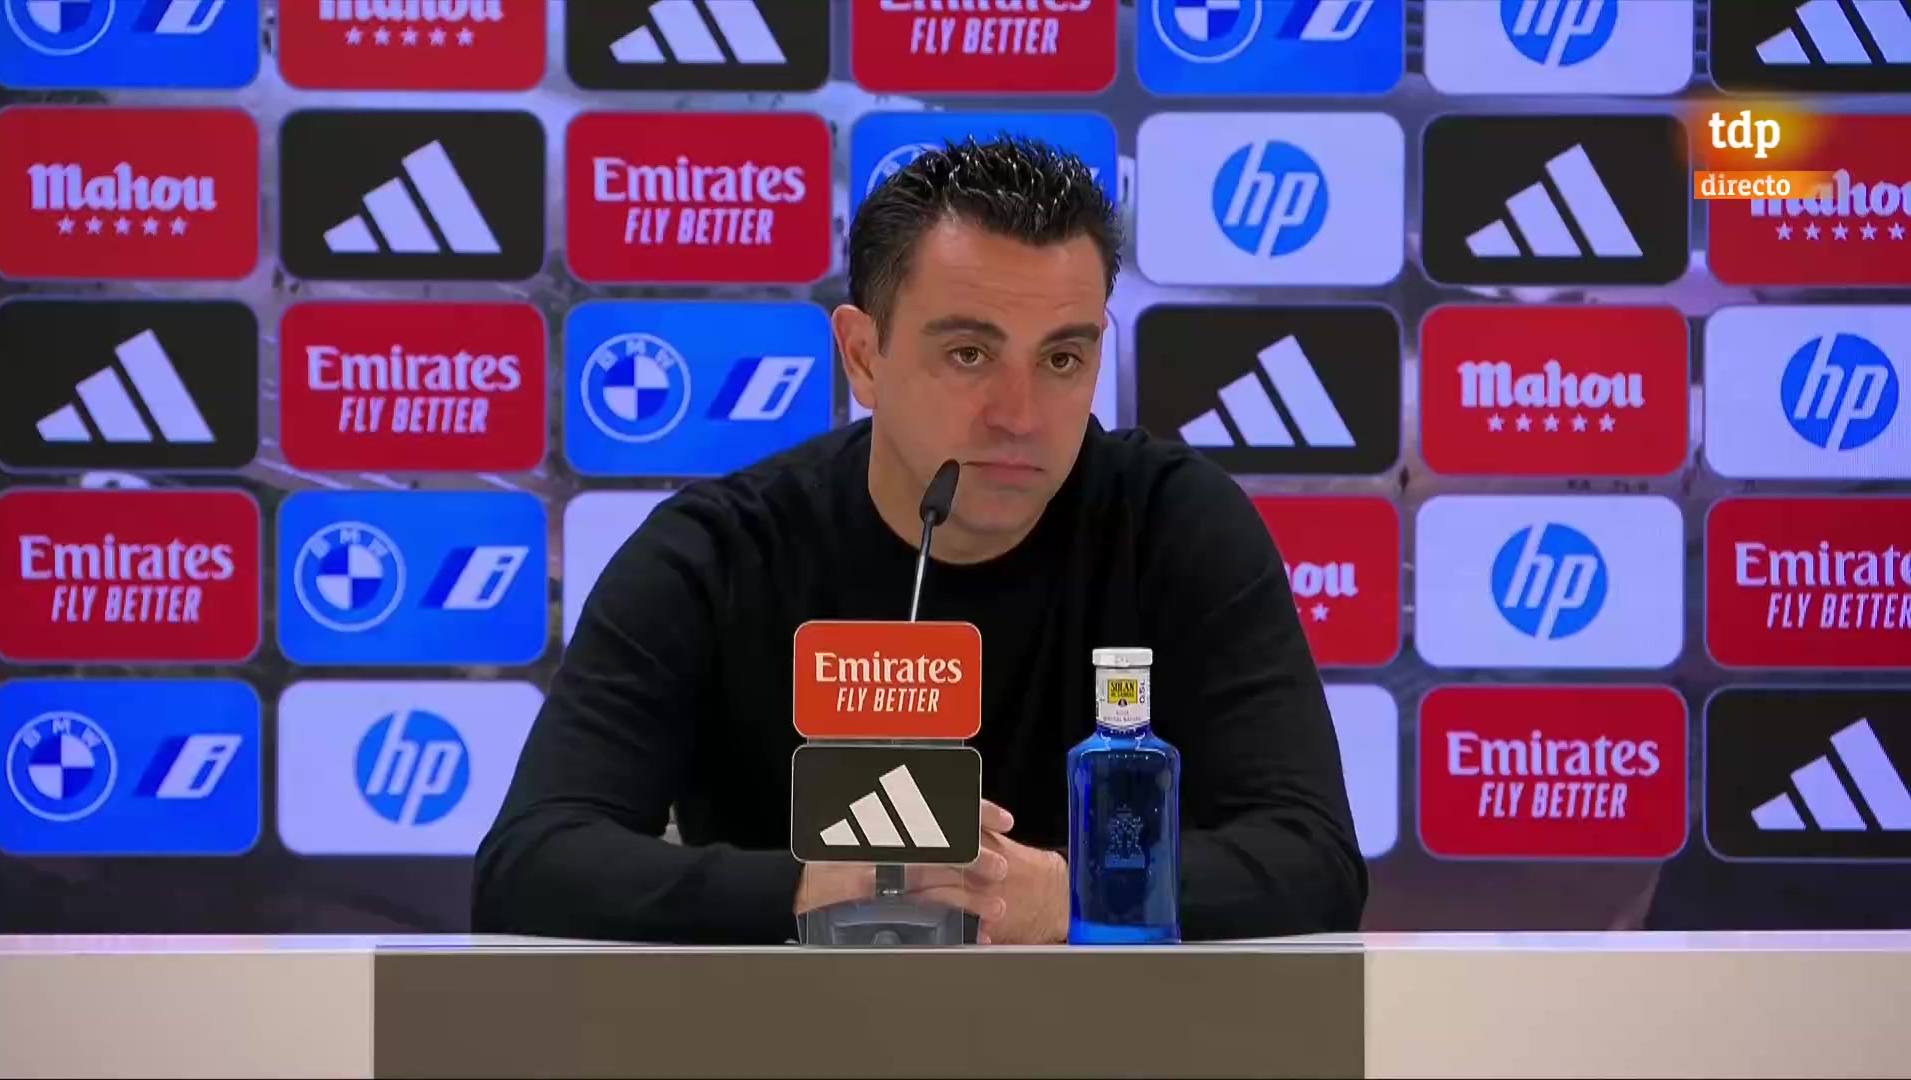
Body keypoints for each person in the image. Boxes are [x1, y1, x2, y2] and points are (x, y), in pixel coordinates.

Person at [473, 135, 1367, 945]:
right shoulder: (720, 554)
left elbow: (1313, 856)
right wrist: (811, 888)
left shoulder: (1174, 525)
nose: (1020, 416)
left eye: (1062, 359)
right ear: (864, 356)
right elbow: (532, 866)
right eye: (969, 354)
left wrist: (1070, 894)